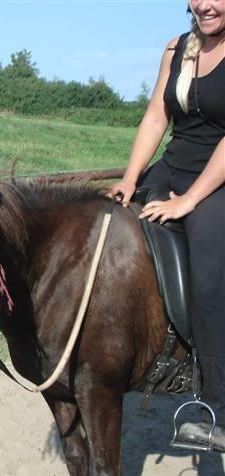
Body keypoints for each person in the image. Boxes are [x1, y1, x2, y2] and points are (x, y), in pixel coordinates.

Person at [108, 0, 225, 451]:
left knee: (211, 279)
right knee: (110, 232)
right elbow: (158, 114)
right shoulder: (177, 48)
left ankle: (217, 405)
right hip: (171, 167)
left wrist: (190, 202)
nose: (203, 4)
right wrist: (131, 178)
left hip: (216, 182)